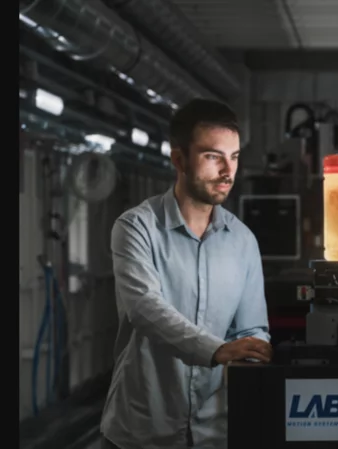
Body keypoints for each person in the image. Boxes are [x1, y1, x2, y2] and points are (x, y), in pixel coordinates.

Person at [100, 99, 273, 449]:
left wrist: (256, 350)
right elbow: (145, 309)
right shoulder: (136, 227)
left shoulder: (243, 241)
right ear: (178, 159)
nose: (228, 170)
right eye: (213, 156)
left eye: (234, 157)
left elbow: (253, 327)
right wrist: (218, 350)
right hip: (141, 431)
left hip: (214, 432)